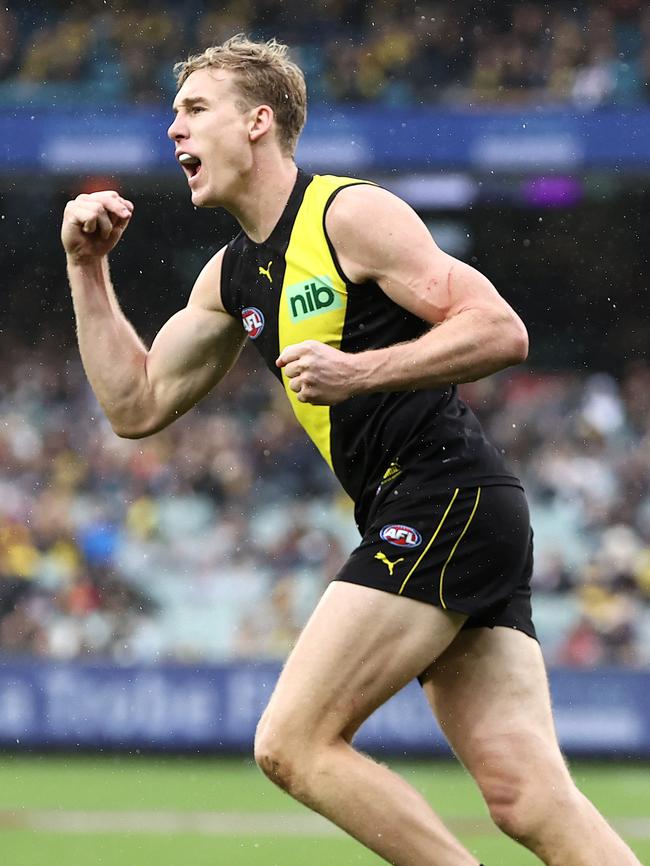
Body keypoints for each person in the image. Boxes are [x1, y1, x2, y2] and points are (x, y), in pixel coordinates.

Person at [60, 34, 641, 866]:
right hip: (449, 514)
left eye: (193, 110)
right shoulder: (229, 278)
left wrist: (359, 369)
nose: (172, 131)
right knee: (529, 798)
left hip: (445, 499)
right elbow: (136, 403)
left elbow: (500, 329)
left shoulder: (348, 214)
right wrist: (86, 268)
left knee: (290, 741)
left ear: (259, 123)